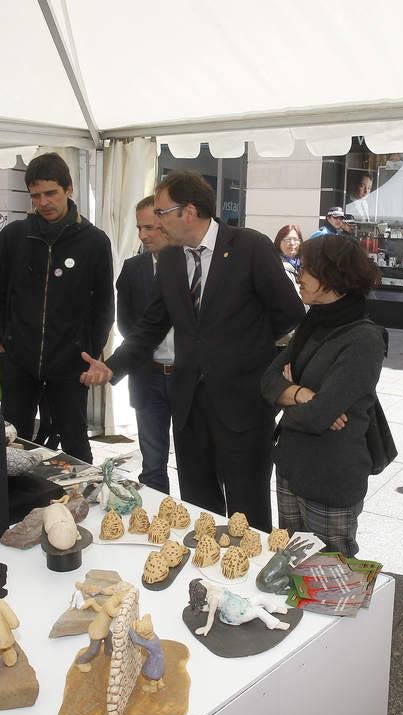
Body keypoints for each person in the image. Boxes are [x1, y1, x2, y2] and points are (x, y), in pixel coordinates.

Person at [81, 171, 305, 532]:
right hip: (189, 406)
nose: (155, 220)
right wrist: (111, 367)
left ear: (188, 212)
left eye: (161, 211)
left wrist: (246, 347)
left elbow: (289, 313)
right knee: (199, 506)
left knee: (248, 510)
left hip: (244, 404)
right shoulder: (170, 259)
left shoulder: (249, 246)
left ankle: (251, 583)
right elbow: (152, 325)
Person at [0, 152, 114, 464]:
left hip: (70, 363)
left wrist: (89, 351)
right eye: (36, 195)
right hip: (18, 359)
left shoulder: (95, 241)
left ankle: (82, 499)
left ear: (69, 189)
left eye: (51, 193)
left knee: (74, 440)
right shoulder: (15, 236)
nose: (43, 202)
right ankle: (14, 501)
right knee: (13, 439)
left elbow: (104, 304)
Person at [261, 234, 383, 555]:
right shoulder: (312, 322)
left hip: (330, 476)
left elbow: (318, 417)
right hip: (290, 466)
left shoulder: (364, 338)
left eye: (307, 268)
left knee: (330, 578)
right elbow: (268, 381)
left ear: (333, 277)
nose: (299, 275)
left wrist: (294, 398)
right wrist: (303, 394)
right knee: (291, 565)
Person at [116, 195, 176, 493]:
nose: (143, 235)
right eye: (139, 228)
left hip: (188, 377)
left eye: (150, 227)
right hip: (148, 376)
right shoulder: (133, 268)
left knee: (197, 463)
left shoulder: (196, 265)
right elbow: (126, 324)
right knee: (152, 465)